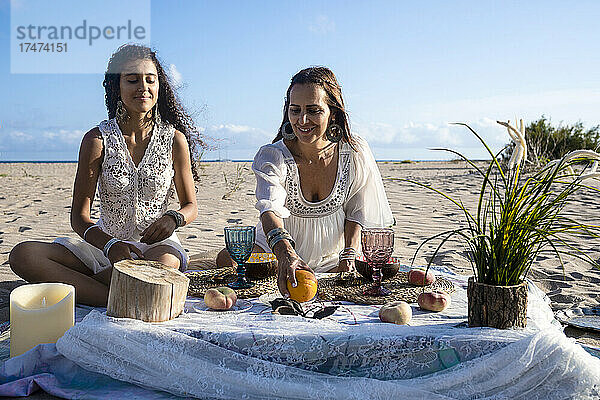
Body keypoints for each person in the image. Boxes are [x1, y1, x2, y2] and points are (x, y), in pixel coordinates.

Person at [9, 44, 206, 306]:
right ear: (117, 86)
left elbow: (190, 206)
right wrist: (111, 246)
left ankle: (96, 290)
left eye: (151, 79)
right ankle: (113, 294)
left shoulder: (174, 140)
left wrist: (173, 219)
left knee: (161, 269)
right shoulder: (97, 139)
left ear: (160, 86)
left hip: (157, 249)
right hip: (103, 246)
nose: (143, 87)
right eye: (132, 79)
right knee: (23, 255)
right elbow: (79, 219)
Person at [217, 66, 394, 297]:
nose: (302, 120)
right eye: (295, 110)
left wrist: (349, 253)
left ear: (333, 111)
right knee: (226, 259)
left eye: (313, 110)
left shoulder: (354, 151)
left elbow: (356, 211)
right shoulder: (272, 156)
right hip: (275, 250)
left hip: (332, 255)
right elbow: (269, 209)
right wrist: (285, 253)